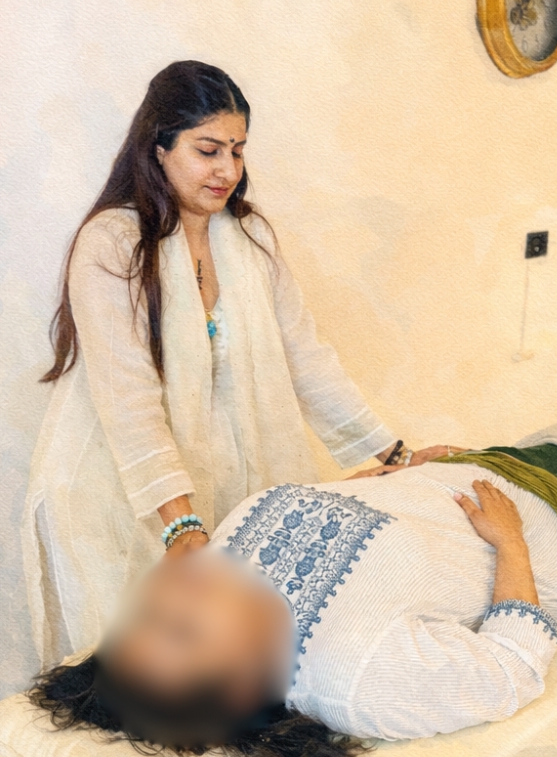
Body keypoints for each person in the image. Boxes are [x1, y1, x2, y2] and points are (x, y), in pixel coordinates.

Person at [28, 393, 557, 757]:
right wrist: (511, 543)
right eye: (183, 629)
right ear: (237, 684)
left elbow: (329, 497)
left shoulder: (223, 555)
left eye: (152, 611)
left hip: (470, 475)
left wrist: (394, 475)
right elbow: (512, 666)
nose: (178, 591)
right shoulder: (357, 674)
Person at [24, 61, 439, 667]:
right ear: (159, 146)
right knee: (142, 682)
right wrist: (179, 526)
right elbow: (128, 397)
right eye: (208, 150)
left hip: (233, 481)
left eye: (238, 151)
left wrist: (395, 457)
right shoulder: (112, 244)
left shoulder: (250, 240)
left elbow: (306, 360)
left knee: (240, 670)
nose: (227, 170)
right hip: (122, 495)